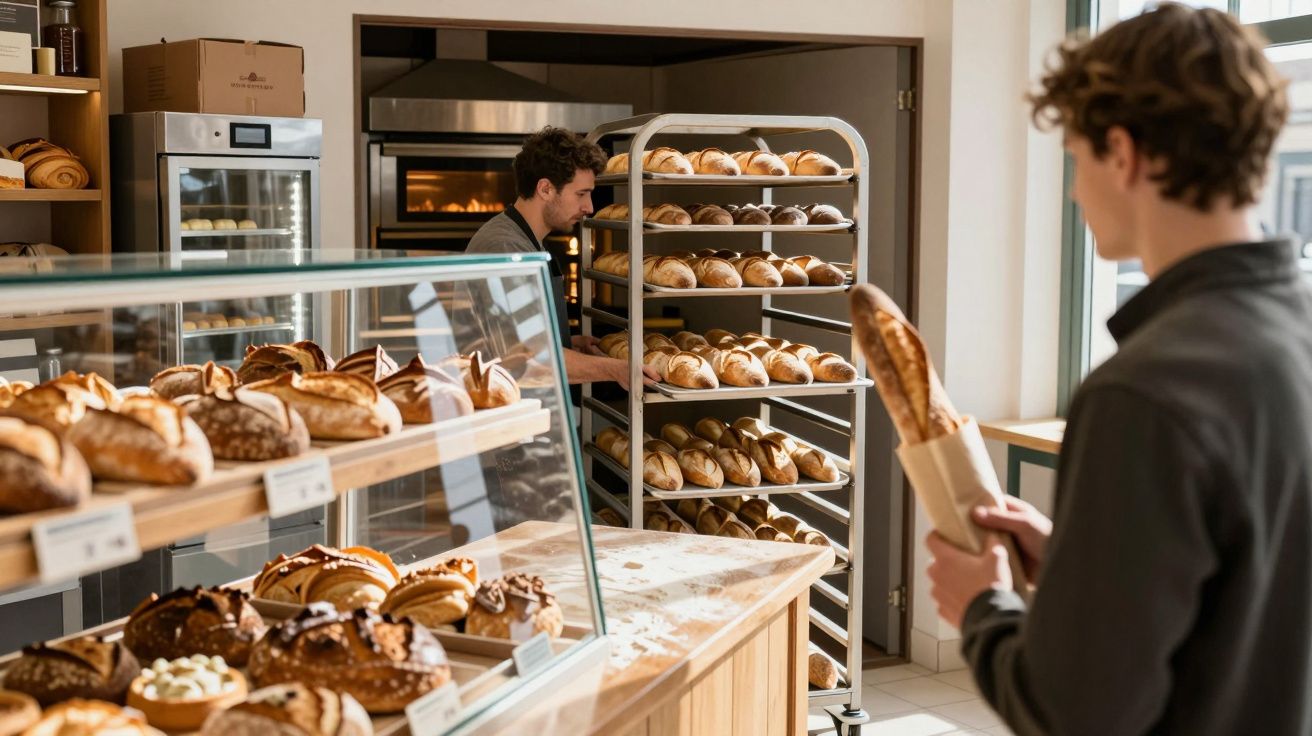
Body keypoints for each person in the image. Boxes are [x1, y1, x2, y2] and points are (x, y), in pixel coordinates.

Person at [924, 5, 1312, 734]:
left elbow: (1075, 714)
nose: (1075, 190)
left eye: (1076, 158)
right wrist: (1083, 565)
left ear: (1124, 154)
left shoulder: (1143, 392)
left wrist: (982, 608)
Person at [466, 126, 659, 389]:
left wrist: (567, 344)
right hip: (505, 406)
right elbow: (528, 361)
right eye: (581, 194)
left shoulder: (524, 242)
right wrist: (616, 370)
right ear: (545, 189)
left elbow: (522, 340)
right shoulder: (506, 249)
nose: (589, 207)